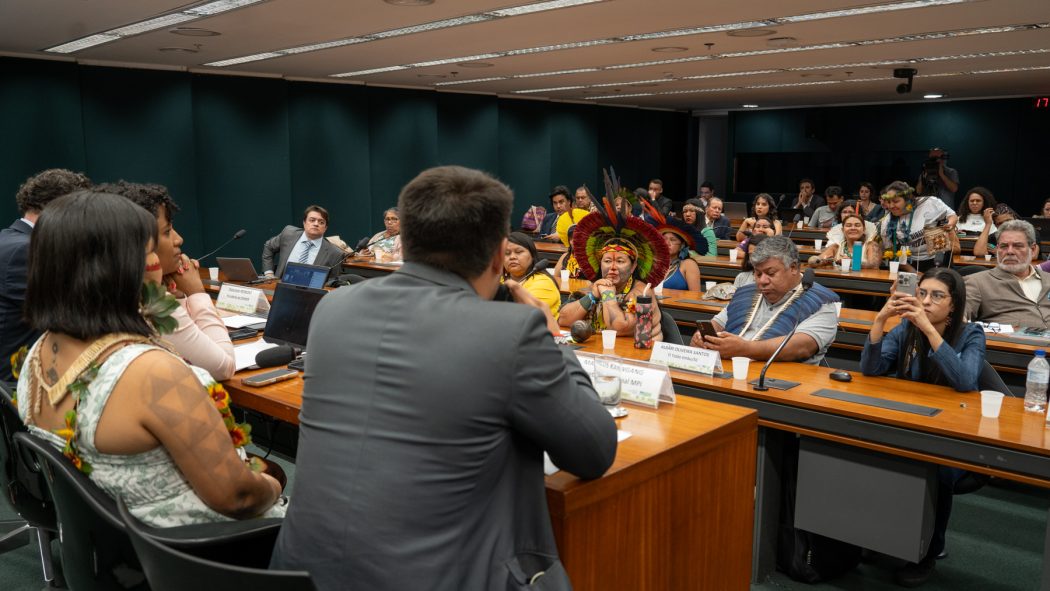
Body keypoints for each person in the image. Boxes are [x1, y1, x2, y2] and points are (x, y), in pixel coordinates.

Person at [270, 166, 617, 591]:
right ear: (497, 255)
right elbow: (594, 450)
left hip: (304, 572)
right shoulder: (512, 332)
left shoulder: (332, 310)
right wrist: (552, 338)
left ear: (405, 241)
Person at [17, 191, 284, 527]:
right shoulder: (153, 373)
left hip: (122, 549)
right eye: (149, 251)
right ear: (123, 269)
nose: (159, 260)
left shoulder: (38, 353)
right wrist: (275, 486)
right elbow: (239, 497)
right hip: (206, 554)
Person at [861, 267, 984, 586]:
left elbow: (966, 381)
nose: (926, 301)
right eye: (922, 293)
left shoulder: (971, 334)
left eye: (936, 296)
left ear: (954, 304)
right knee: (877, 452)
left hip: (954, 434)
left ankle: (930, 550)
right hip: (912, 424)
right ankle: (884, 538)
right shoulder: (904, 329)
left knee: (937, 469)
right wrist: (879, 322)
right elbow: (871, 369)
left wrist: (929, 330)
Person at [98, 180, 235, 380]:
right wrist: (197, 293)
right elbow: (223, 367)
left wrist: (177, 297)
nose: (179, 239)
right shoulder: (150, 306)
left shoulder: (108, 293)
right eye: (167, 231)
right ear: (137, 244)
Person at [1, 168, 91, 383]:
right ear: (60, 210)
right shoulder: (27, 251)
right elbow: (77, 317)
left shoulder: (11, 241)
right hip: (17, 394)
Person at [690, 236, 839, 364]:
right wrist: (701, 338)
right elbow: (716, 324)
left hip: (782, 383)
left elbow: (802, 347)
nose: (762, 281)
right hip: (732, 371)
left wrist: (745, 349)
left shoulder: (822, 302)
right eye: (758, 273)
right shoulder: (746, 292)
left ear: (793, 267)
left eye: (770, 273)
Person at [559, 195, 671, 338]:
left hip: (638, 356)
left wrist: (607, 294)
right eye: (606, 261)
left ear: (633, 266)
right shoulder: (595, 287)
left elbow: (620, 328)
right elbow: (563, 319)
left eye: (620, 261)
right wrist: (592, 296)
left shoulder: (643, 293)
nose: (612, 267)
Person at [965, 220, 1050, 329]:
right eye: (1004, 246)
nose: (1010, 251)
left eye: (1017, 246)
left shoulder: (1047, 279)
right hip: (1012, 344)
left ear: (1032, 250)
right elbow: (958, 317)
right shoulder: (977, 283)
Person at [877, 181, 957, 272]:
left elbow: (952, 215)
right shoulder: (887, 222)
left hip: (938, 257)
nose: (891, 205)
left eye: (896, 201)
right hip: (910, 263)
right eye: (888, 202)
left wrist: (950, 224)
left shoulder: (928, 203)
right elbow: (892, 253)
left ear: (907, 200)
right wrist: (914, 273)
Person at [262, 205, 348, 278]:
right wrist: (269, 273)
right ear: (304, 222)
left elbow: (332, 282)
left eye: (321, 222)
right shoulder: (288, 234)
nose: (316, 224)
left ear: (325, 228)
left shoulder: (335, 253)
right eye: (312, 220)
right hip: (280, 286)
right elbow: (269, 247)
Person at [647, 208, 708, 292]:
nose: (667, 243)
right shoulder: (654, 264)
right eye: (664, 239)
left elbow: (695, 297)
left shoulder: (689, 265)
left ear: (682, 245)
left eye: (672, 240)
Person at [503, 232, 561, 318]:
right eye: (507, 253)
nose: (512, 257)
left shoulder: (543, 283)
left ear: (532, 256)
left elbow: (524, 316)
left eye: (518, 252)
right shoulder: (498, 280)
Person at [810, 213, 881, 269]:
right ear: (843, 230)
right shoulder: (836, 247)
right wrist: (821, 260)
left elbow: (874, 265)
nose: (853, 228)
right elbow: (814, 261)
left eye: (857, 225)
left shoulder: (871, 245)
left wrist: (849, 262)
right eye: (848, 225)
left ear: (864, 230)